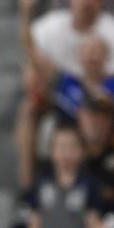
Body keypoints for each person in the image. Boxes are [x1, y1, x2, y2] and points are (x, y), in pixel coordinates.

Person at [15, 0, 114, 190]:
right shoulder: (69, 82)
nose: (92, 58)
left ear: (105, 58)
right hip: (75, 141)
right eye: (88, 53)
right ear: (80, 58)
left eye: (97, 54)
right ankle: (28, 192)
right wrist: (25, 14)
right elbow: (35, 55)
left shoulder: (110, 83)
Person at [27, 124, 102, 228]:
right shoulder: (42, 182)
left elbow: (92, 222)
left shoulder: (88, 183)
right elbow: (35, 220)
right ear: (51, 151)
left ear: (82, 151)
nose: (66, 152)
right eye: (61, 147)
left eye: (72, 147)